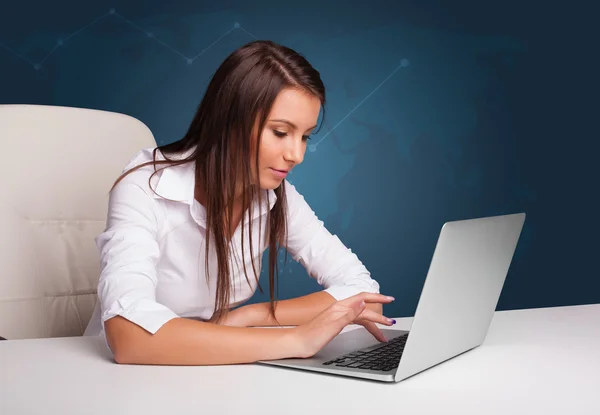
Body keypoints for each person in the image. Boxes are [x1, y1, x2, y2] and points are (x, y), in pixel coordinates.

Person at [84, 39, 396, 365]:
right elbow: (128, 336)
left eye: (304, 136)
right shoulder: (146, 185)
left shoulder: (275, 194)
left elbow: (365, 295)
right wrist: (296, 339)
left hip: (216, 369)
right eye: (280, 132)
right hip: (122, 380)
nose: (297, 155)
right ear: (229, 121)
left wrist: (252, 315)